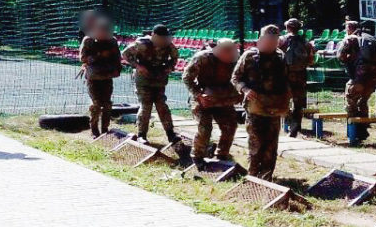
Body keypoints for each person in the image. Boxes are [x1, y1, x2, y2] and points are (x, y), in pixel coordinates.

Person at [232, 25, 290, 179]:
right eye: (269, 40)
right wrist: (245, 89)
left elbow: (285, 83)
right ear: (261, 40)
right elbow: (235, 78)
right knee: (256, 145)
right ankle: (252, 176)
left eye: (275, 40)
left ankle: (266, 177)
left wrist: (286, 104)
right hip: (255, 108)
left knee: (271, 147)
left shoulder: (281, 57)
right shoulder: (249, 56)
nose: (272, 43)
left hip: (274, 108)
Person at [182, 38, 242, 167]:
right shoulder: (203, 58)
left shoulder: (237, 60)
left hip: (223, 99)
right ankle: (197, 156)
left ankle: (222, 155)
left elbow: (240, 79)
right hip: (203, 99)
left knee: (230, 126)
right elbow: (187, 77)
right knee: (205, 128)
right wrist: (198, 94)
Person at [121, 24, 180, 143]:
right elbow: (125, 54)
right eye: (160, 39)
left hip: (159, 79)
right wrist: (138, 66)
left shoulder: (168, 45)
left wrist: (169, 66)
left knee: (162, 106)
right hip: (143, 79)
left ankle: (170, 134)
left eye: (165, 39)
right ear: (153, 36)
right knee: (146, 106)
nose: (163, 41)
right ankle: (142, 135)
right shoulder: (142, 44)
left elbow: (175, 58)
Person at [338, 19, 376, 142]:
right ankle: (363, 131)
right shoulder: (371, 38)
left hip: (358, 78)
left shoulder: (351, 39)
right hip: (372, 79)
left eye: (346, 28)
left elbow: (340, 56)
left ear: (350, 28)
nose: (346, 31)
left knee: (350, 103)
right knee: (363, 103)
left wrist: (348, 60)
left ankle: (352, 135)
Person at [79, 15, 122, 138]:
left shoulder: (112, 41)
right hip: (93, 78)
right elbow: (83, 58)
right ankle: (94, 130)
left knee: (107, 104)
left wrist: (116, 68)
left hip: (107, 76)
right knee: (96, 104)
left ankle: (105, 129)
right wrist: (99, 55)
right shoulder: (88, 40)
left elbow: (117, 58)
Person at [279, 18, 316, 137]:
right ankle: (296, 127)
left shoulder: (281, 41)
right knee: (298, 102)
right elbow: (311, 61)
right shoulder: (306, 42)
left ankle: (290, 121)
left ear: (287, 28)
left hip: (284, 75)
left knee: (281, 100)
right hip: (301, 75)